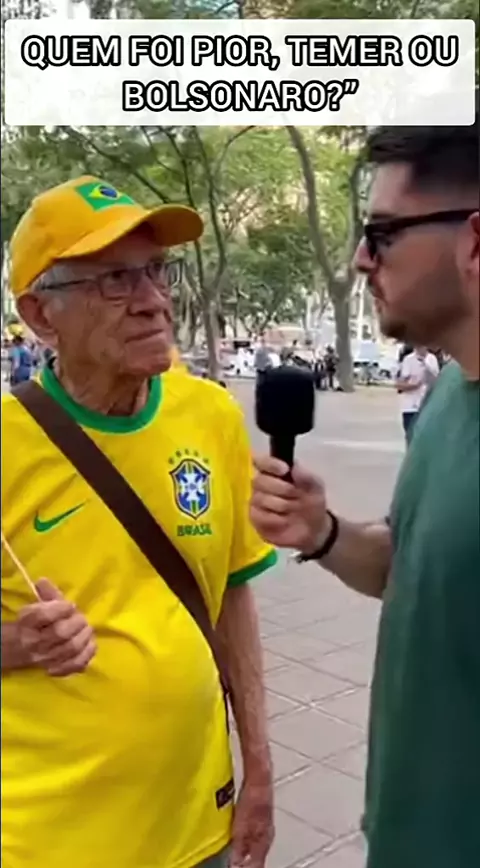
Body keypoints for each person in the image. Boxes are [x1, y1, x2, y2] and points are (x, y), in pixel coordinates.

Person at [1, 176, 277, 868]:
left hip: (199, 827)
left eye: (157, 270)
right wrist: (15, 645)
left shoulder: (210, 416)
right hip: (46, 843)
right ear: (41, 316)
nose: (154, 301)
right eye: (114, 281)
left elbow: (231, 598)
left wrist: (261, 770)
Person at [250, 117, 479, 868]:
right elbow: (407, 568)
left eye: (382, 234)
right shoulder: (449, 394)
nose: (359, 259)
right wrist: (322, 532)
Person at [396, 345, 439, 443]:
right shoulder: (408, 360)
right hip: (410, 407)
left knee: (426, 439)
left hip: (427, 406)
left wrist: (428, 369)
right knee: (411, 437)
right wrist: (414, 386)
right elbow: (400, 384)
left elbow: (437, 382)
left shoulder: (432, 359)